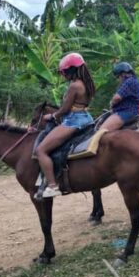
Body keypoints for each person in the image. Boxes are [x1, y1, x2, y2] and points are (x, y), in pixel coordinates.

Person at [35, 53, 96, 198]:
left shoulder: (74, 86)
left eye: (64, 72)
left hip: (73, 121)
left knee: (41, 150)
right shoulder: (87, 83)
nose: (63, 75)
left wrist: (52, 115)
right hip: (86, 118)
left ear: (70, 71)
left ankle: (52, 186)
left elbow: (65, 109)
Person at [100, 62, 139, 131]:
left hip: (125, 112)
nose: (119, 79)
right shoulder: (136, 81)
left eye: (118, 77)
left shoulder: (128, 81)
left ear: (123, 74)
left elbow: (117, 97)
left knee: (101, 132)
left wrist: (111, 103)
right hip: (134, 112)